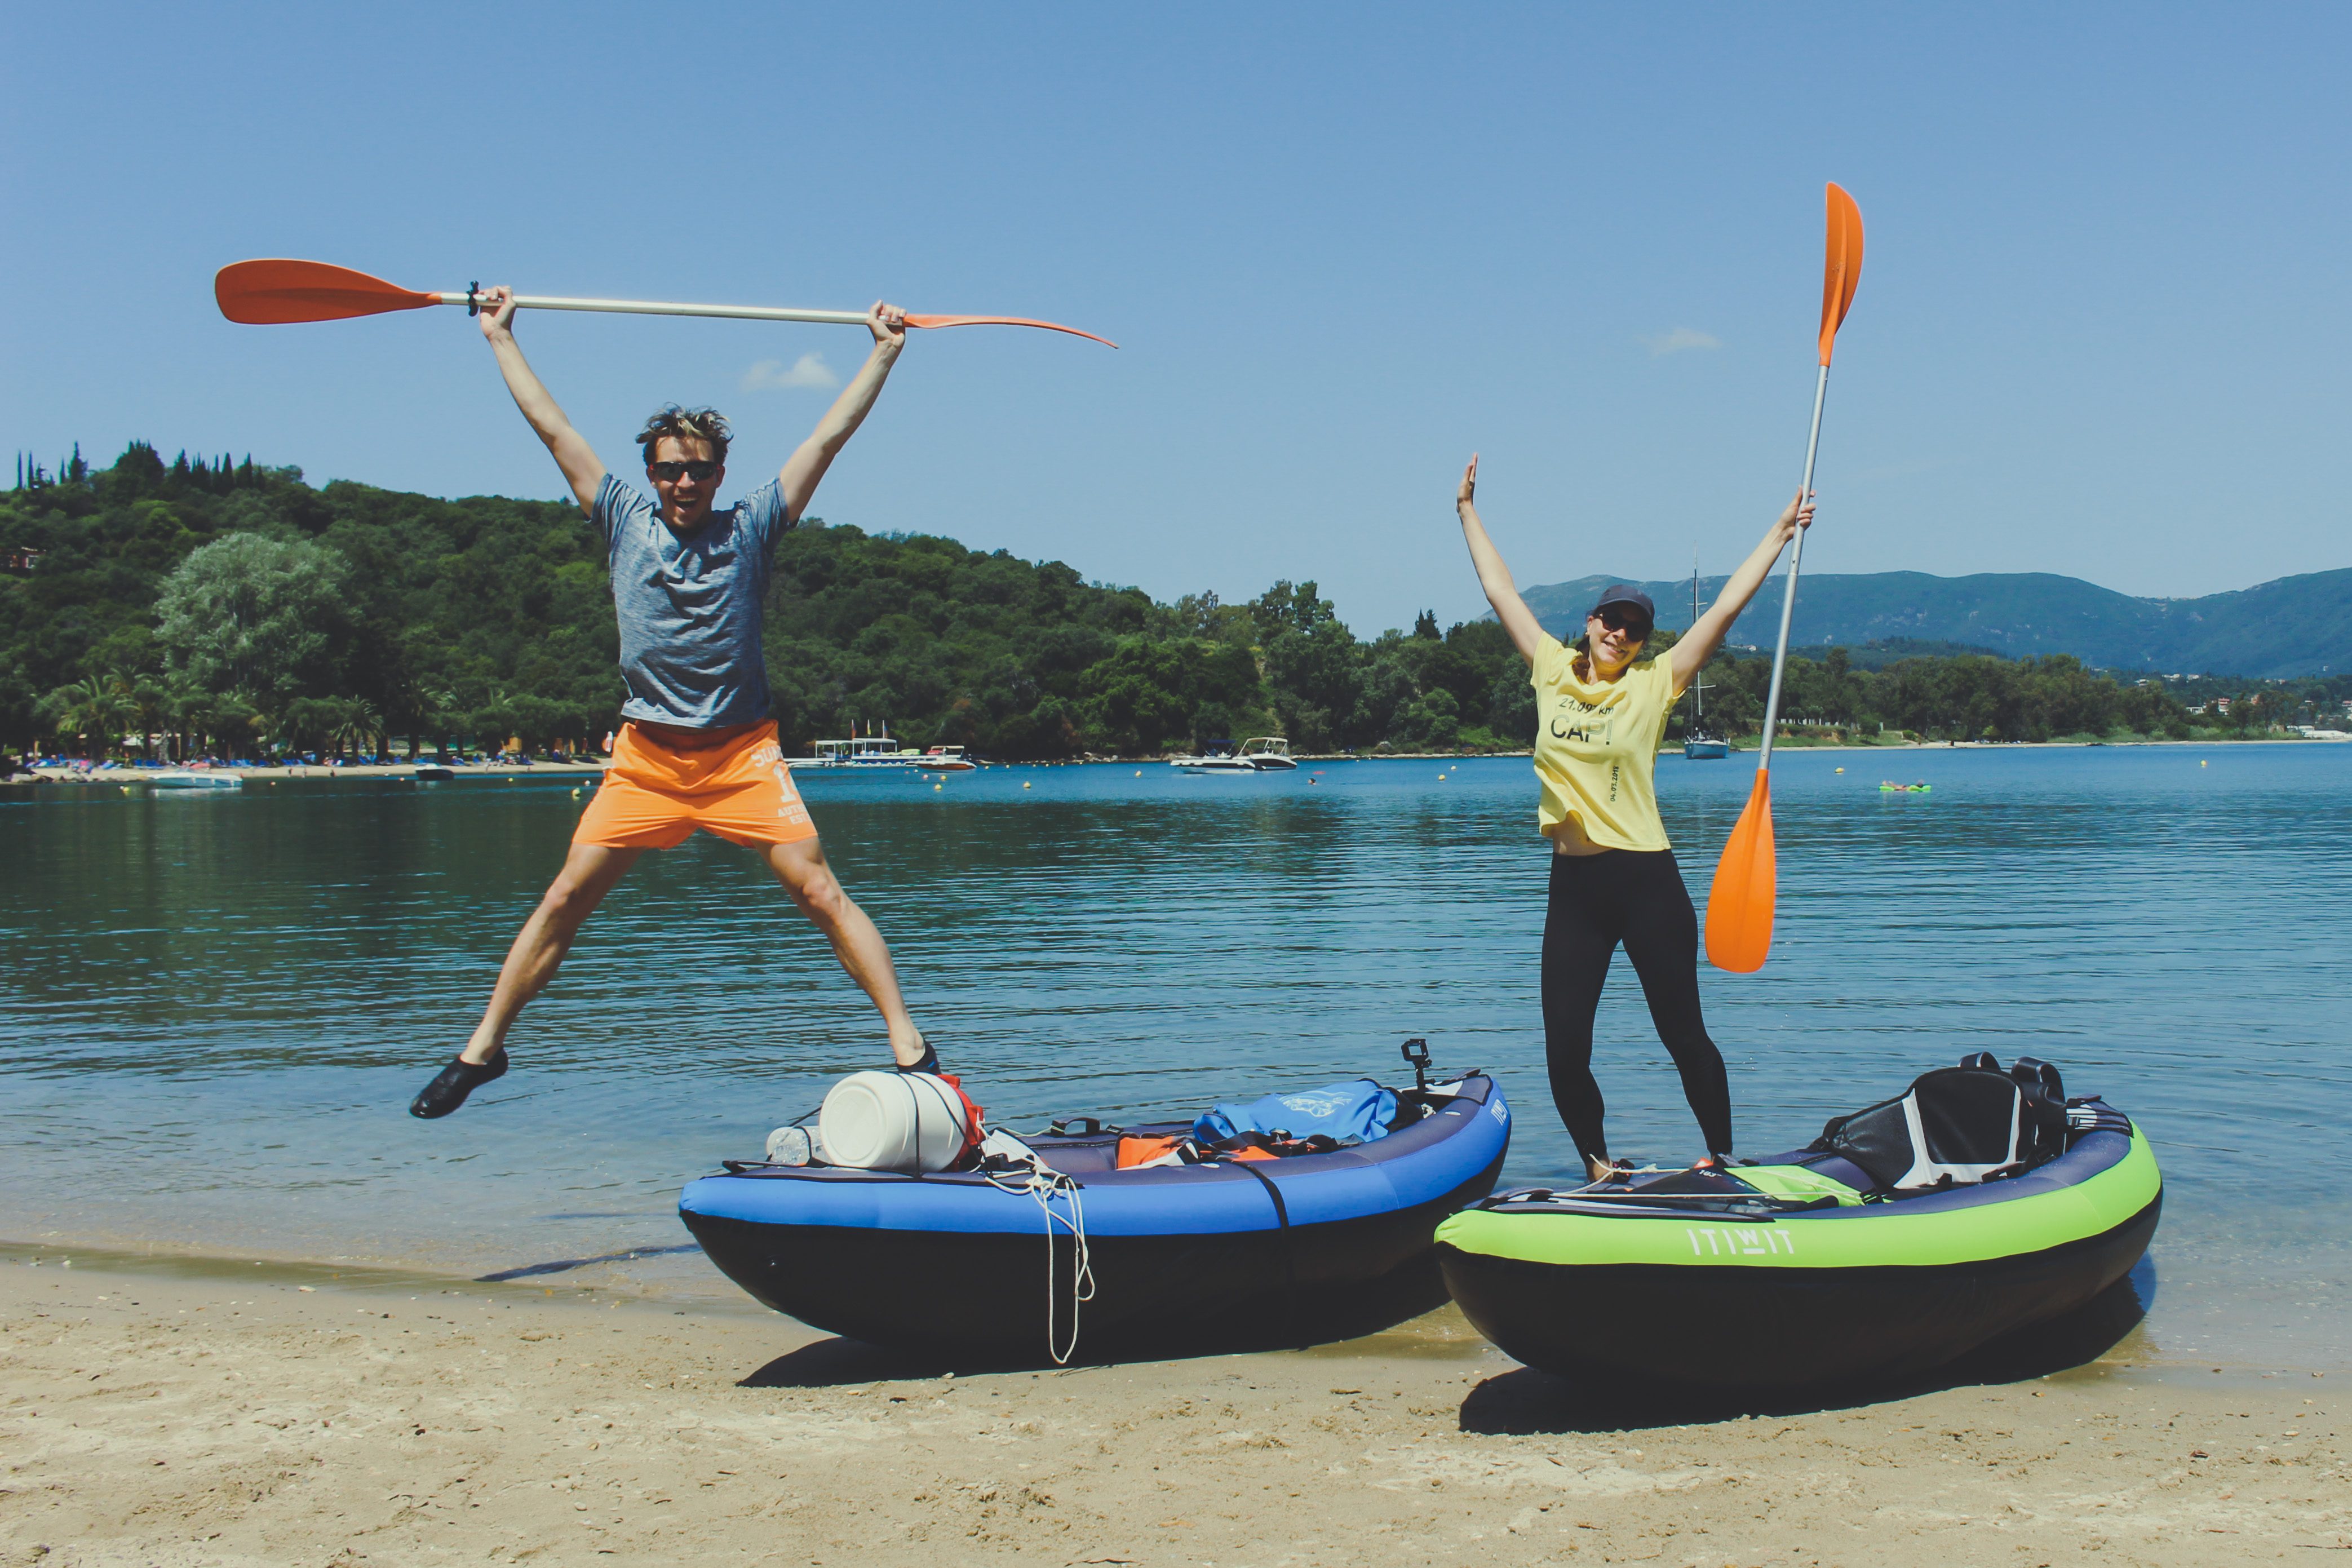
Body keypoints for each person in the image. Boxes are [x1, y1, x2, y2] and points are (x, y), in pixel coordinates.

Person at [410, 286, 932, 1118]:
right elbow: (553, 429)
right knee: (564, 898)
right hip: (647, 760)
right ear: (650, 474)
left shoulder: (753, 526)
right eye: (668, 469)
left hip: (741, 756)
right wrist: (500, 338)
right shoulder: (623, 519)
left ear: (720, 472)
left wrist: (883, 353)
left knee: (819, 891)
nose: (684, 481)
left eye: (699, 469)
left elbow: (827, 437)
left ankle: (913, 1049)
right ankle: (484, 1050)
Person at [1452, 453, 1813, 1182]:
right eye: (1612, 621)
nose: (1620, 634)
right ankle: (1598, 1167)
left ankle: (1722, 1160)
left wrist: (1779, 533)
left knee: (1683, 1035)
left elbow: (1724, 610)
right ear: (1590, 624)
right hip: (1574, 889)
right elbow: (1500, 590)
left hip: (1646, 881)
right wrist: (1465, 510)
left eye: (1634, 629)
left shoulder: (1656, 681)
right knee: (1564, 1050)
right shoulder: (1551, 669)